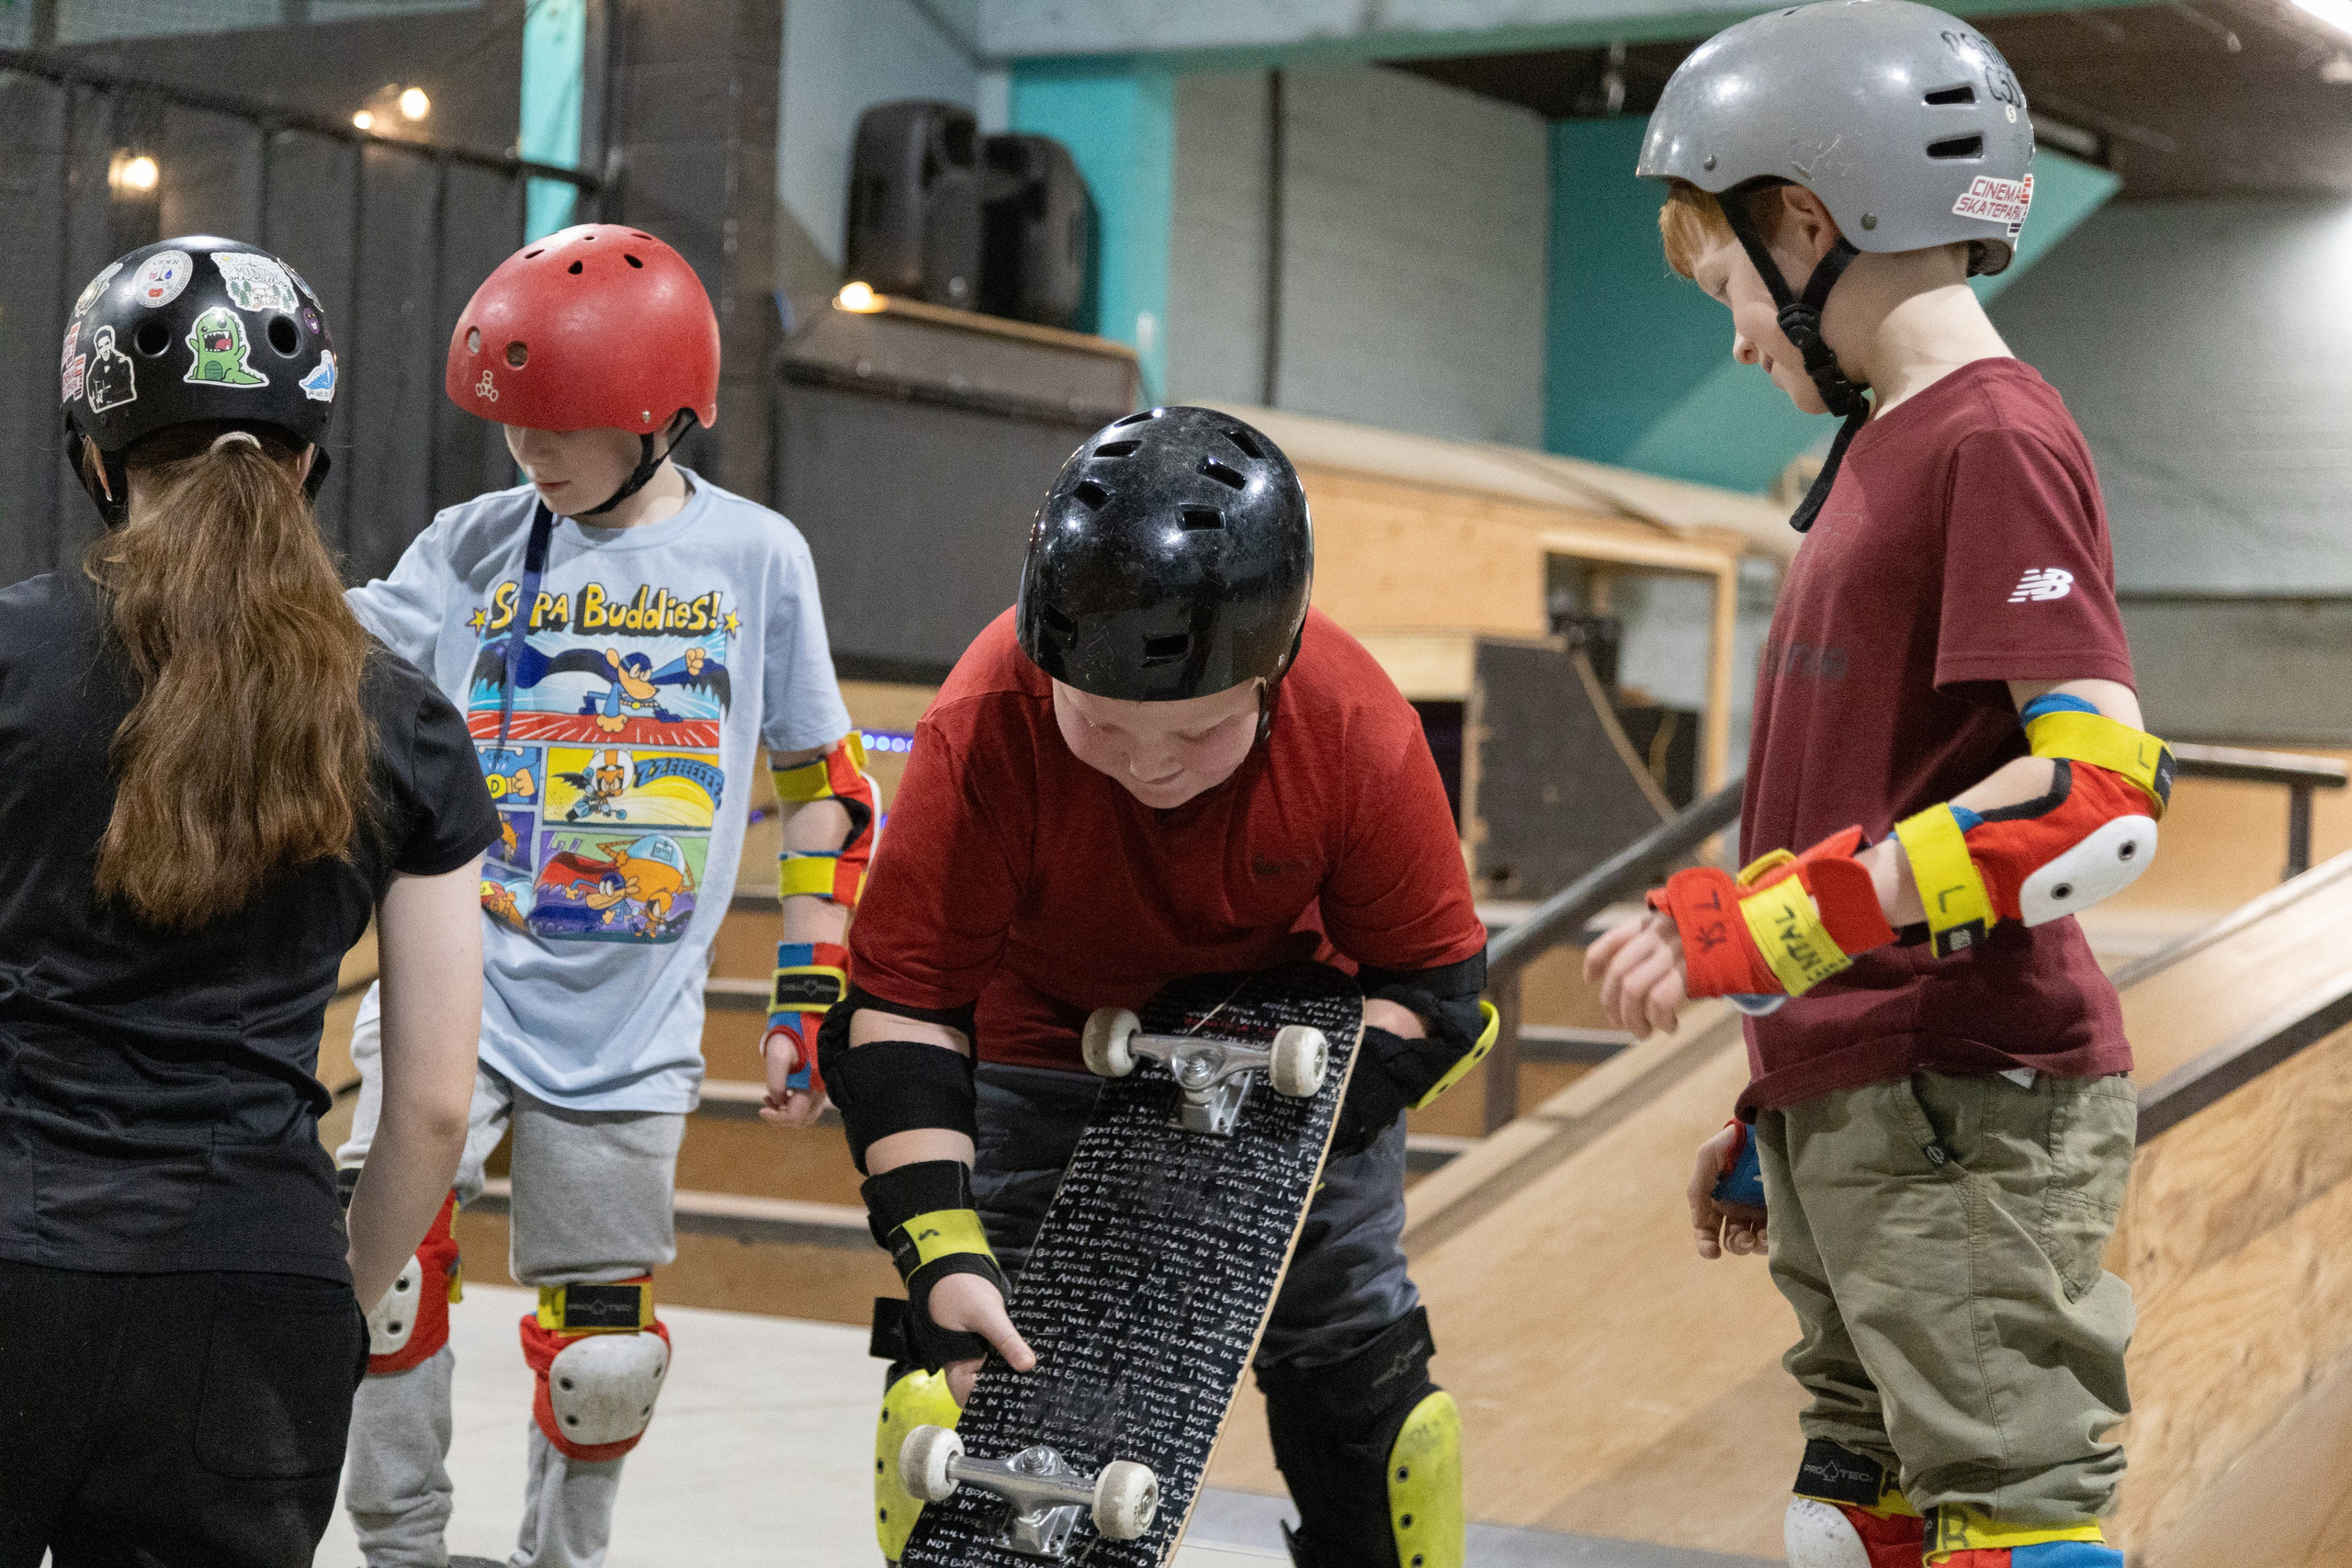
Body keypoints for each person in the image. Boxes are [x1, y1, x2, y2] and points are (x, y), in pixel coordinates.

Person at [1589, 8, 2164, 1565]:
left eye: (1729, 291)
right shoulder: (1880, 456)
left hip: (1960, 1090)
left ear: (1806, 223)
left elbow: (2092, 793)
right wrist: (1784, 1089)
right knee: (1856, 1519)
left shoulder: (1992, 436)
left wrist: (1778, 937)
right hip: (1867, 1087)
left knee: (2010, 1512)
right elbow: (1877, 785)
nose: (1737, 336)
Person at [820, 406, 1495, 1568]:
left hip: (1293, 1054)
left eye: (1191, 736)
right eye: (1103, 727)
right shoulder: (986, 718)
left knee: (1360, 1388)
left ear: (1269, 678)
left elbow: (1436, 996)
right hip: (1042, 1045)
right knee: (969, 1393)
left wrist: (1265, 1144)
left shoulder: (1351, 723)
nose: (1146, 767)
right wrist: (939, 1251)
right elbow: (899, 1007)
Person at [332, 222, 868, 1568]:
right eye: (516, 426)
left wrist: (810, 982)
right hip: (460, 977)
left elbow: (827, 786)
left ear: (661, 415)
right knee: (381, 1273)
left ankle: (564, 1557)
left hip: (630, 1022)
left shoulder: (757, 559)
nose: (531, 453)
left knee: (606, 1350)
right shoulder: (467, 544)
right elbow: (320, 650)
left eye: (561, 425)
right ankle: (401, 1546)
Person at [0, 236, 492, 1567]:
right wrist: (329, 1292)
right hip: (252, 1290)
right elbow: (437, 1099)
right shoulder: (405, 715)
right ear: (308, 462)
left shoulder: (10, 656)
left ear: (97, 458)